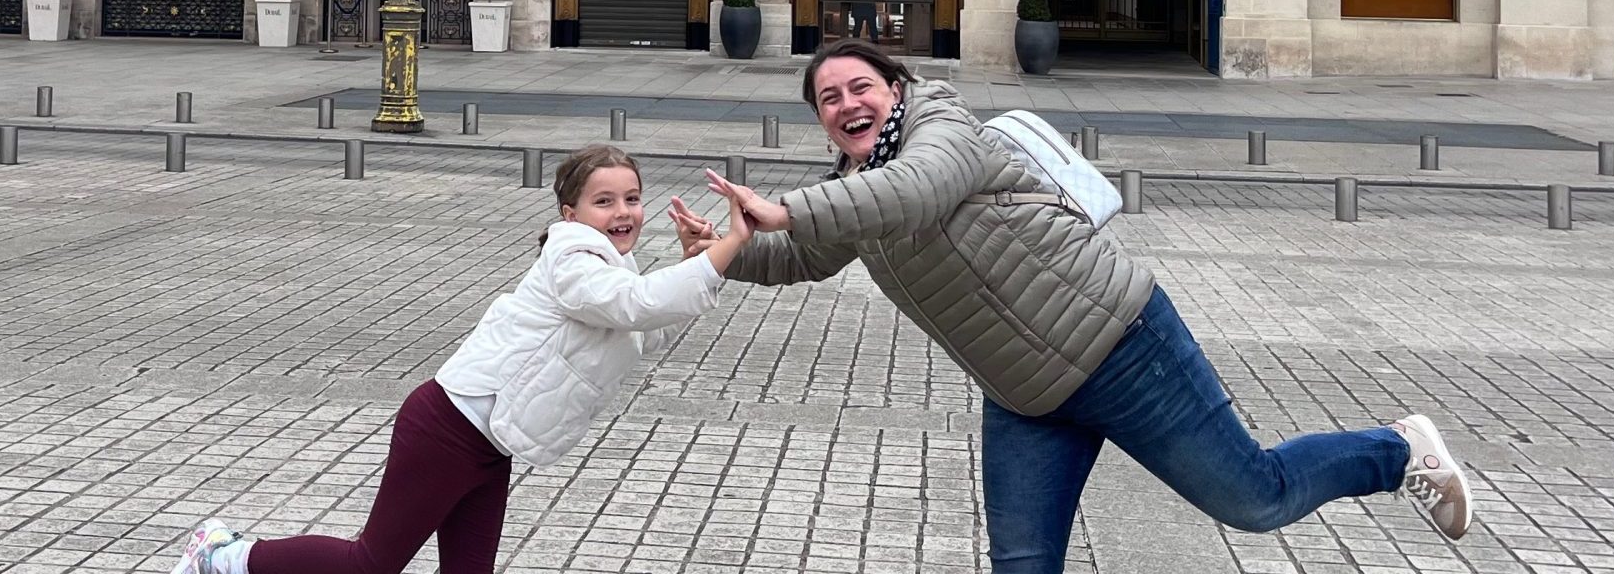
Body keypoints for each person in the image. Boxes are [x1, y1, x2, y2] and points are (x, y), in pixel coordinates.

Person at [672, 40, 1472, 573]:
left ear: (897, 89)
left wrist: (788, 209)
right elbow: (806, 256)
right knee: (1022, 566)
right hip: (1025, 397)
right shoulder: (853, 190)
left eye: (861, 86)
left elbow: (915, 191)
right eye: (828, 98)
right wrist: (721, 250)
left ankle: (1398, 451)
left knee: (1256, 499)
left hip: (1122, 349)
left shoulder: (945, 132)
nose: (847, 103)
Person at [170, 145, 753, 574]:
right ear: (571, 214)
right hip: (449, 429)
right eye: (604, 201)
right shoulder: (573, 257)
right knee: (370, 564)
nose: (622, 211)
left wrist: (690, 264)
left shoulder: (612, 267)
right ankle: (223, 556)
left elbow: (643, 331)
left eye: (632, 198)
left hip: (490, 441)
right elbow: (636, 305)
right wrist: (728, 246)